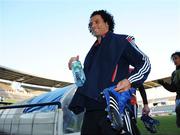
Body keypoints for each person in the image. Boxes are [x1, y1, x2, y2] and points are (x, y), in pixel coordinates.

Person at [68, 10, 151, 135]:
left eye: (97, 22)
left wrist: (130, 80)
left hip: (113, 106)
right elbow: (84, 82)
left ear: (107, 23)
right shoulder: (91, 53)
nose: (93, 25)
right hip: (91, 110)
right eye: (91, 24)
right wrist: (75, 67)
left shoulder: (121, 41)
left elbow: (145, 62)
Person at [158, 51, 180, 128]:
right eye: (173, 59)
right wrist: (163, 83)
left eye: (176, 58)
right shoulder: (174, 73)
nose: (174, 60)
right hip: (178, 99)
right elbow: (173, 88)